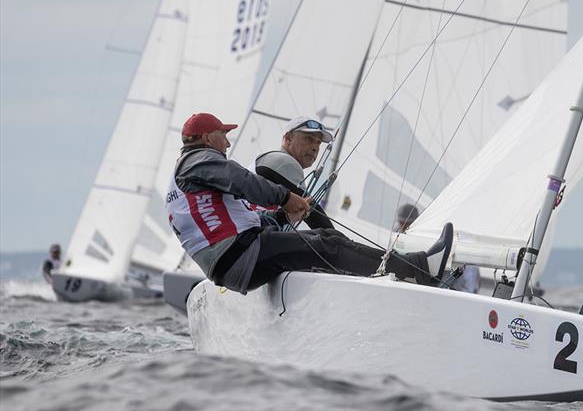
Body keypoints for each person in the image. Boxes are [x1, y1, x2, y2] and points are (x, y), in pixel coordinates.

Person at [166, 113, 453, 294]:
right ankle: (419, 269)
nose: (227, 144)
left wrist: (279, 217)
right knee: (330, 245)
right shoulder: (199, 161)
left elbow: (231, 217)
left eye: (319, 141)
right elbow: (241, 181)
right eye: (223, 136)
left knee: (326, 241)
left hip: (232, 259)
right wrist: (286, 198)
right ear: (206, 137)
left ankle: (403, 270)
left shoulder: (191, 172)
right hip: (240, 257)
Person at [251, 116, 334, 230]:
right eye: (309, 139)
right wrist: (341, 243)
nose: (315, 147)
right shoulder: (285, 162)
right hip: (253, 239)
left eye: (318, 143)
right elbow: (315, 216)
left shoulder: (269, 158)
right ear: (289, 138)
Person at [393, 203, 479, 294]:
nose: (403, 227)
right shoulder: (398, 233)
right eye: (401, 223)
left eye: (407, 224)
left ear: (415, 222)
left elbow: (470, 284)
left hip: (453, 291)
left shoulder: (461, 242)